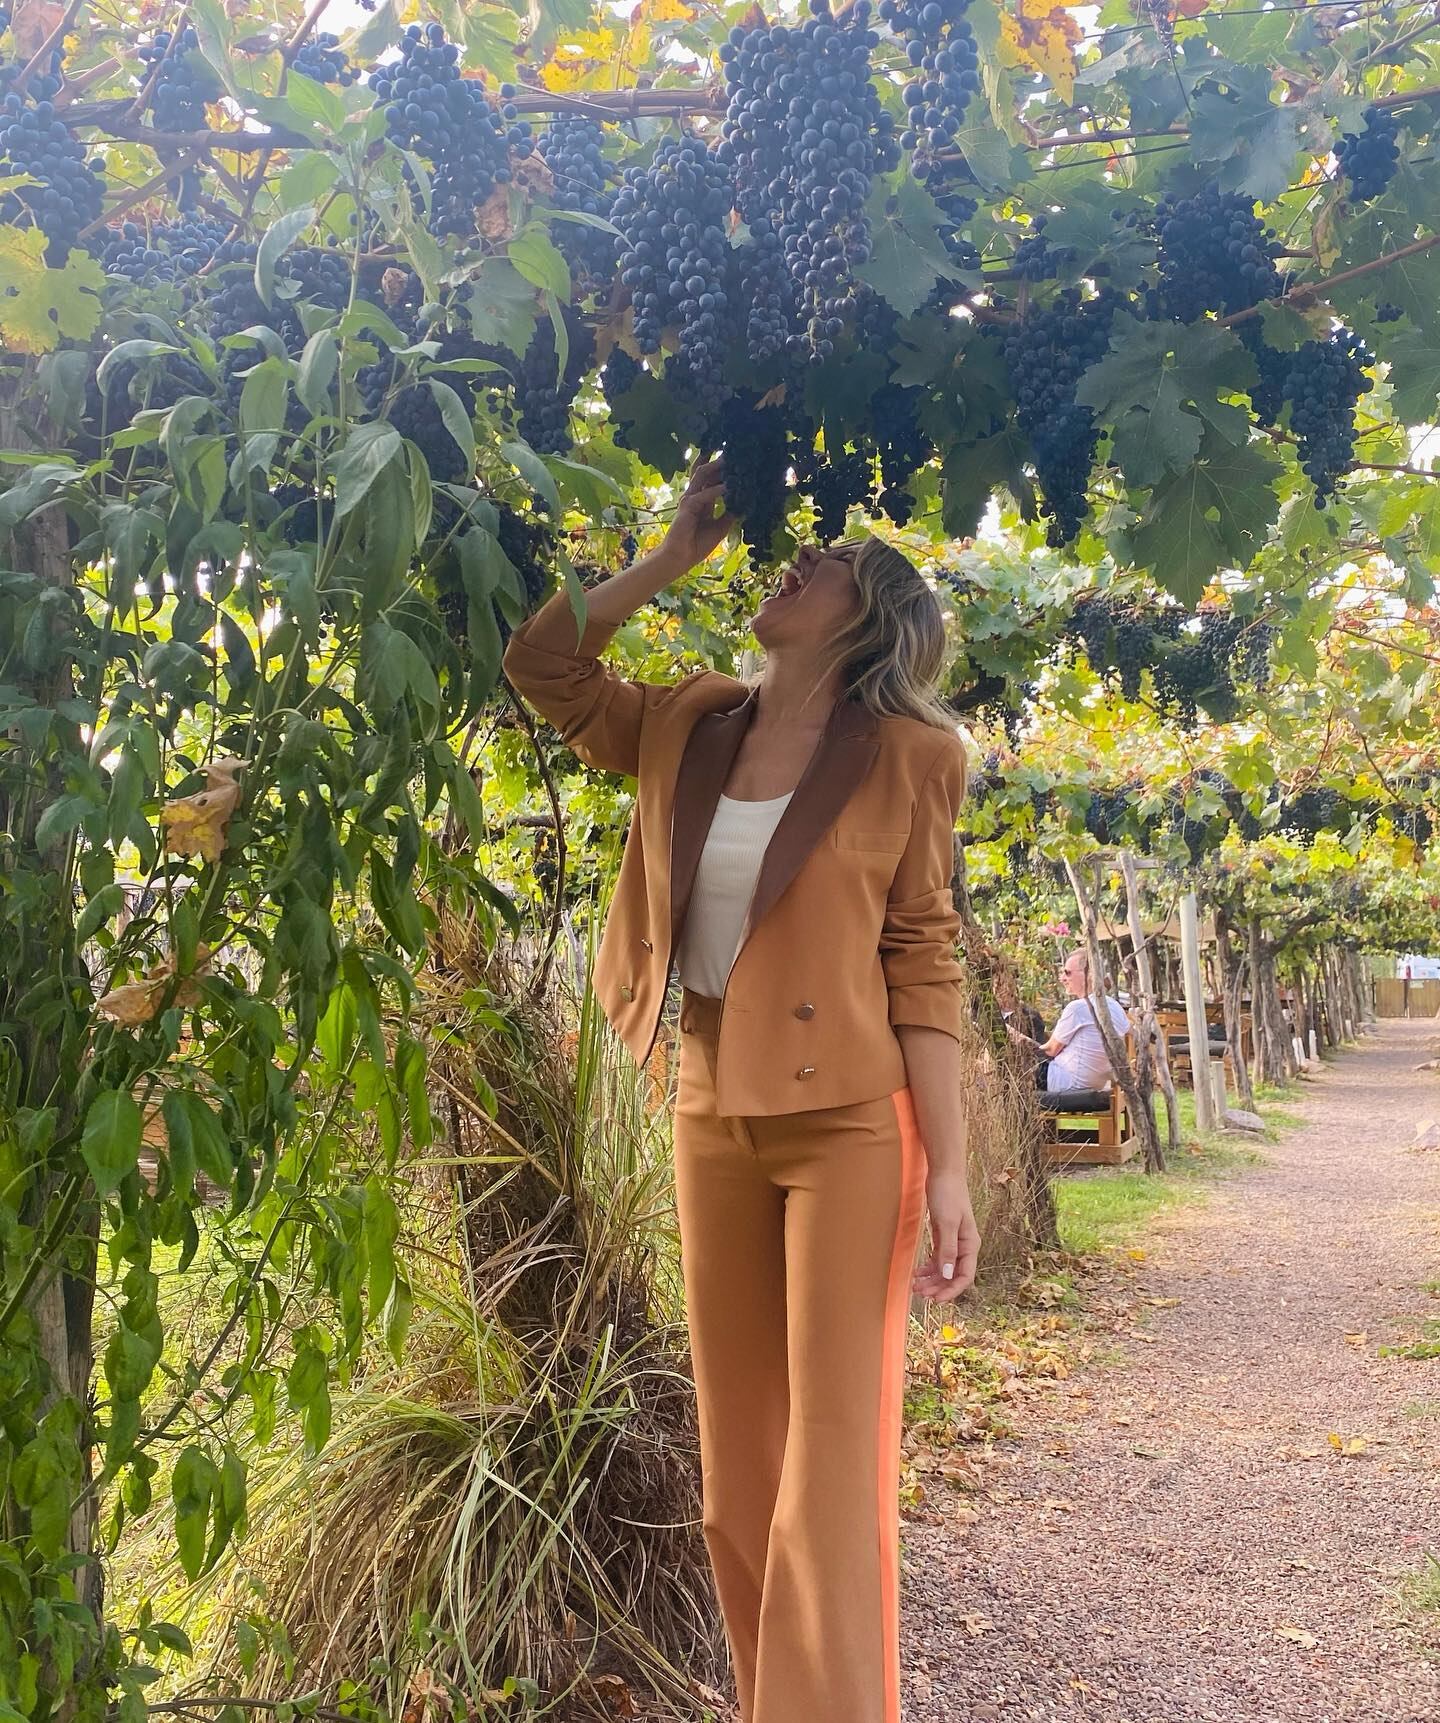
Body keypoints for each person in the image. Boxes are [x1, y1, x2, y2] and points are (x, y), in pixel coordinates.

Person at [503, 459, 979, 1723]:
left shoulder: (915, 756)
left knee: (828, 1478)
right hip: (708, 1107)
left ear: (870, 611)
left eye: (821, 563)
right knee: (738, 1476)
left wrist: (956, 1170)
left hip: (848, 1125)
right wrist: (665, 559)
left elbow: (924, 958)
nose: (790, 561)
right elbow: (541, 666)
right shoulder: (688, 719)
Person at [1009, 948, 1129, 1094]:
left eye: (1068, 973)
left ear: (1089, 974)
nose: (1062, 978)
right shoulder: (1115, 1006)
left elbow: (1050, 1050)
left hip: (1066, 1082)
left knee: (1002, 1062)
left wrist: (1015, 1037)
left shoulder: (1078, 1009)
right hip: (1098, 1083)